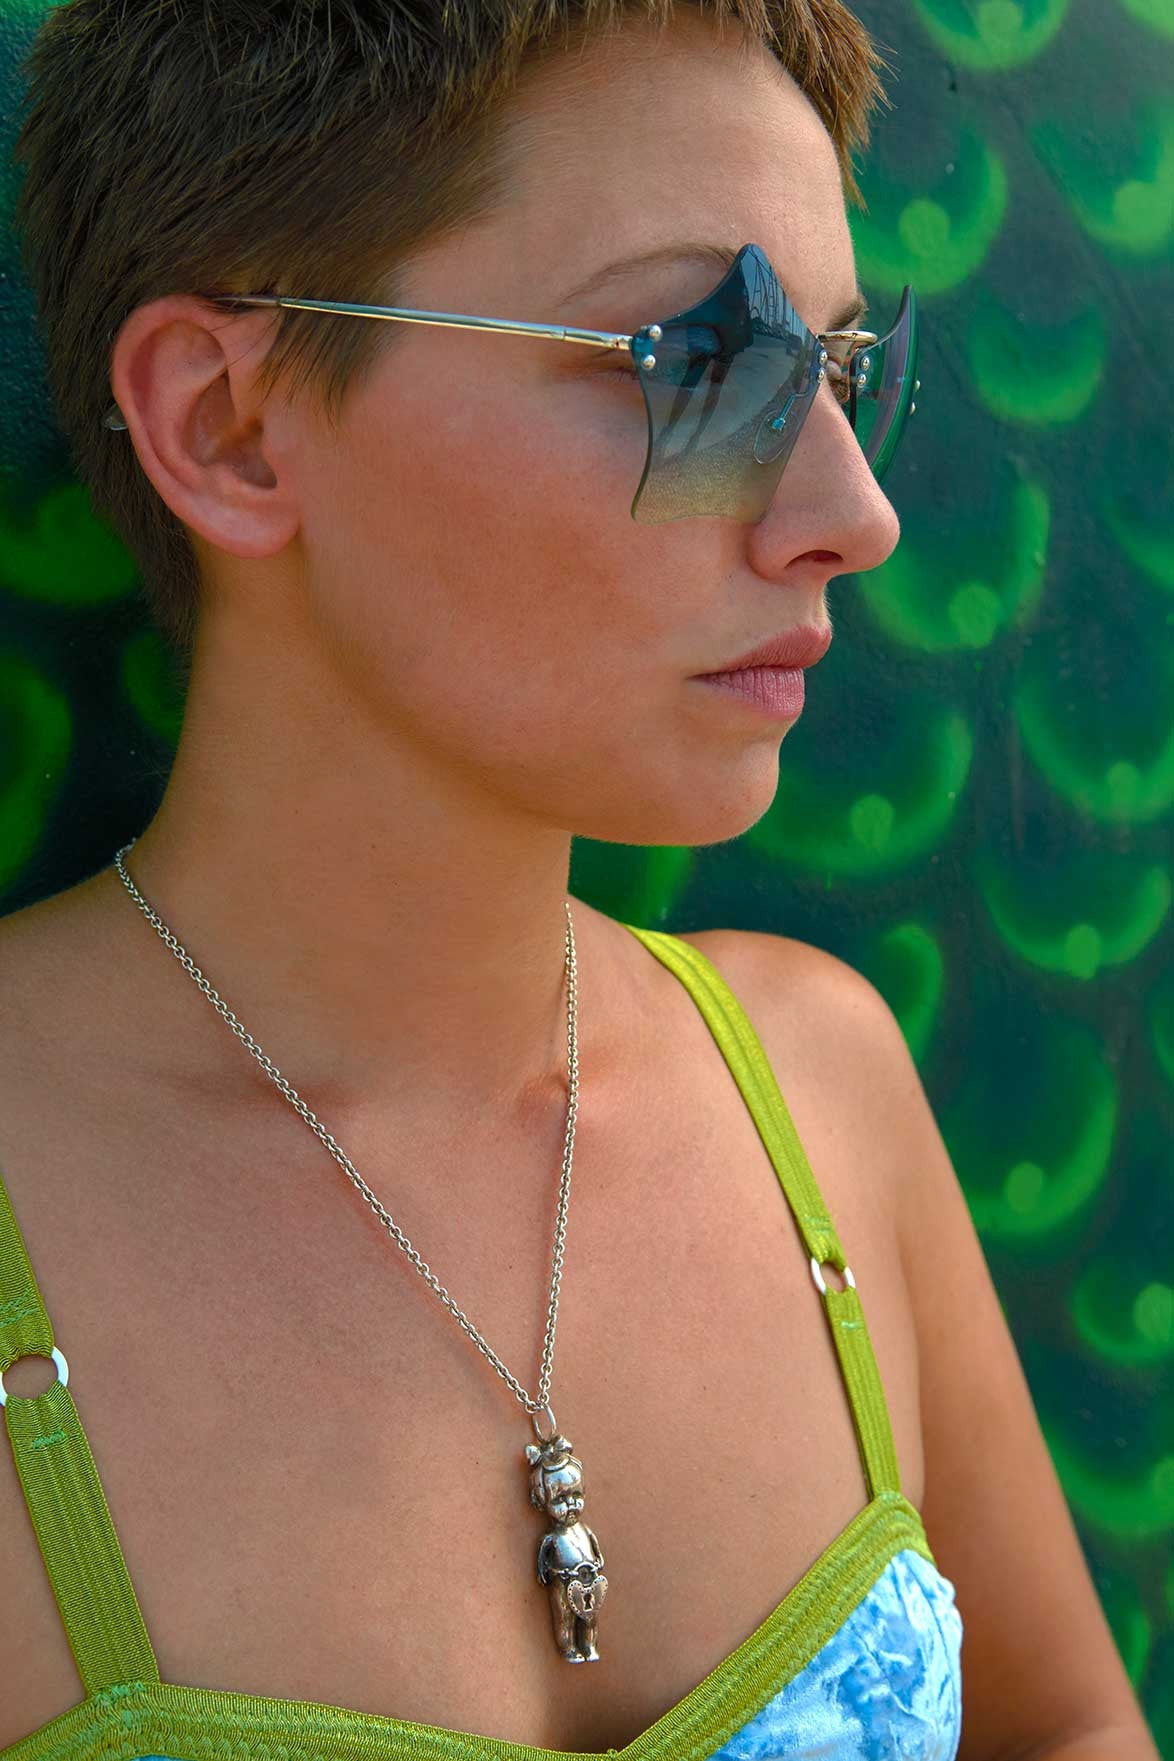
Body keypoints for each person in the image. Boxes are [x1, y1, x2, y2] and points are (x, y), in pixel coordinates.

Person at [0, 3, 1159, 1758]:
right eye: (697, 360)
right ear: (231, 423)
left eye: (843, 368)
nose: (851, 513)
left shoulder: (820, 1085)